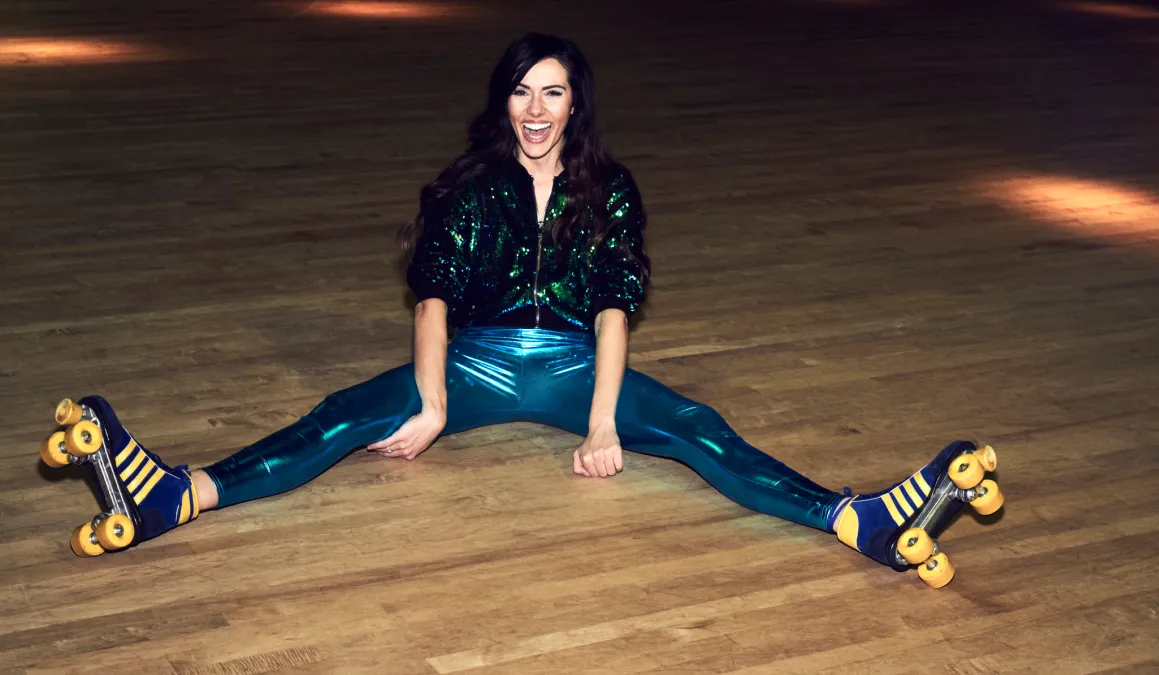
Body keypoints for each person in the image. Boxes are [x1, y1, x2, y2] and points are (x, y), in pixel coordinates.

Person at [42, 33, 1002, 588]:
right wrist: (430, 404)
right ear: (502, 102)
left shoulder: (610, 188)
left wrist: (599, 425)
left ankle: (855, 519)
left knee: (702, 430)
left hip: (581, 366)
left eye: (553, 94)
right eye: (520, 92)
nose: (535, 110)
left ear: (576, 104)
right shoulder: (467, 187)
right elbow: (433, 296)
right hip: (476, 362)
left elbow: (617, 306)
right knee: (340, 416)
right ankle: (177, 494)